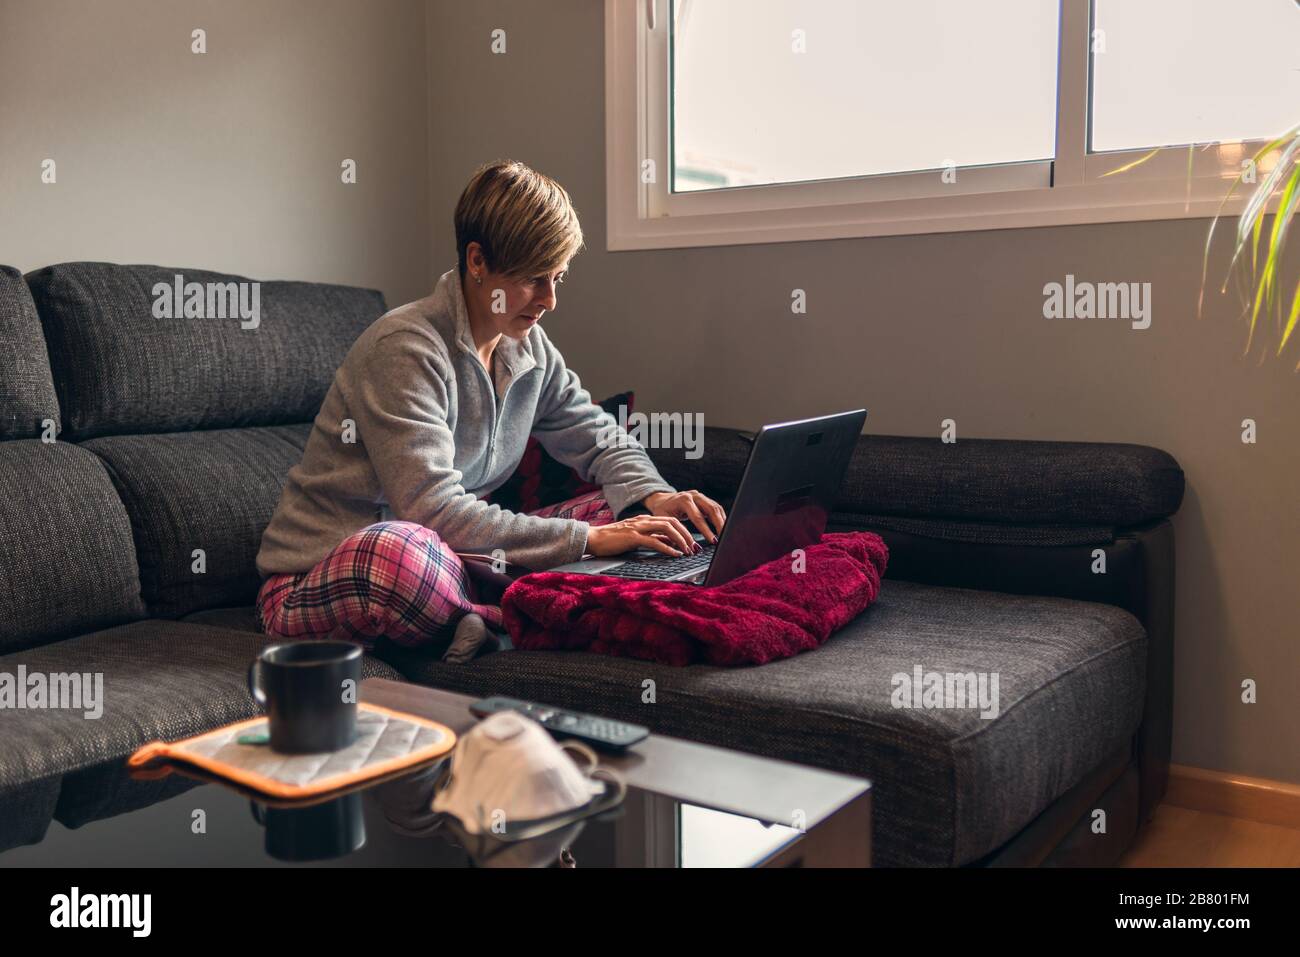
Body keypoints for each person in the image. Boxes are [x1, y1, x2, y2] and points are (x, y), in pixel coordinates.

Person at [254, 159, 726, 651]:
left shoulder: (529, 350)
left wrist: (654, 495)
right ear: (477, 261)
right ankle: (509, 612)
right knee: (404, 553)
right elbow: (430, 511)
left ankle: (488, 612)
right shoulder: (404, 348)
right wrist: (587, 542)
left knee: (631, 514)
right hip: (328, 577)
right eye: (534, 278)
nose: (549, 300)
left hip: (459, 564)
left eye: (557, 278)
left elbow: (600, 437)